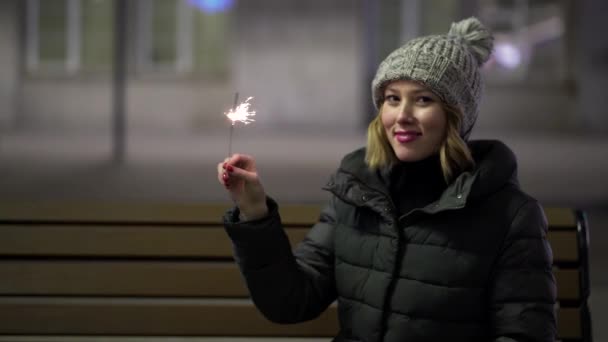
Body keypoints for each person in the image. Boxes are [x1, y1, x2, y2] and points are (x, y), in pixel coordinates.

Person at [216, 17, 556, 342]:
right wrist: (254, 214)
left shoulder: (510, 215)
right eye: (393, 99)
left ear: (457, 116)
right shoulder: (356, 191)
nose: (403, 116)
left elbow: (525, 333)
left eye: (423, 99)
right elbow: (291, 302)